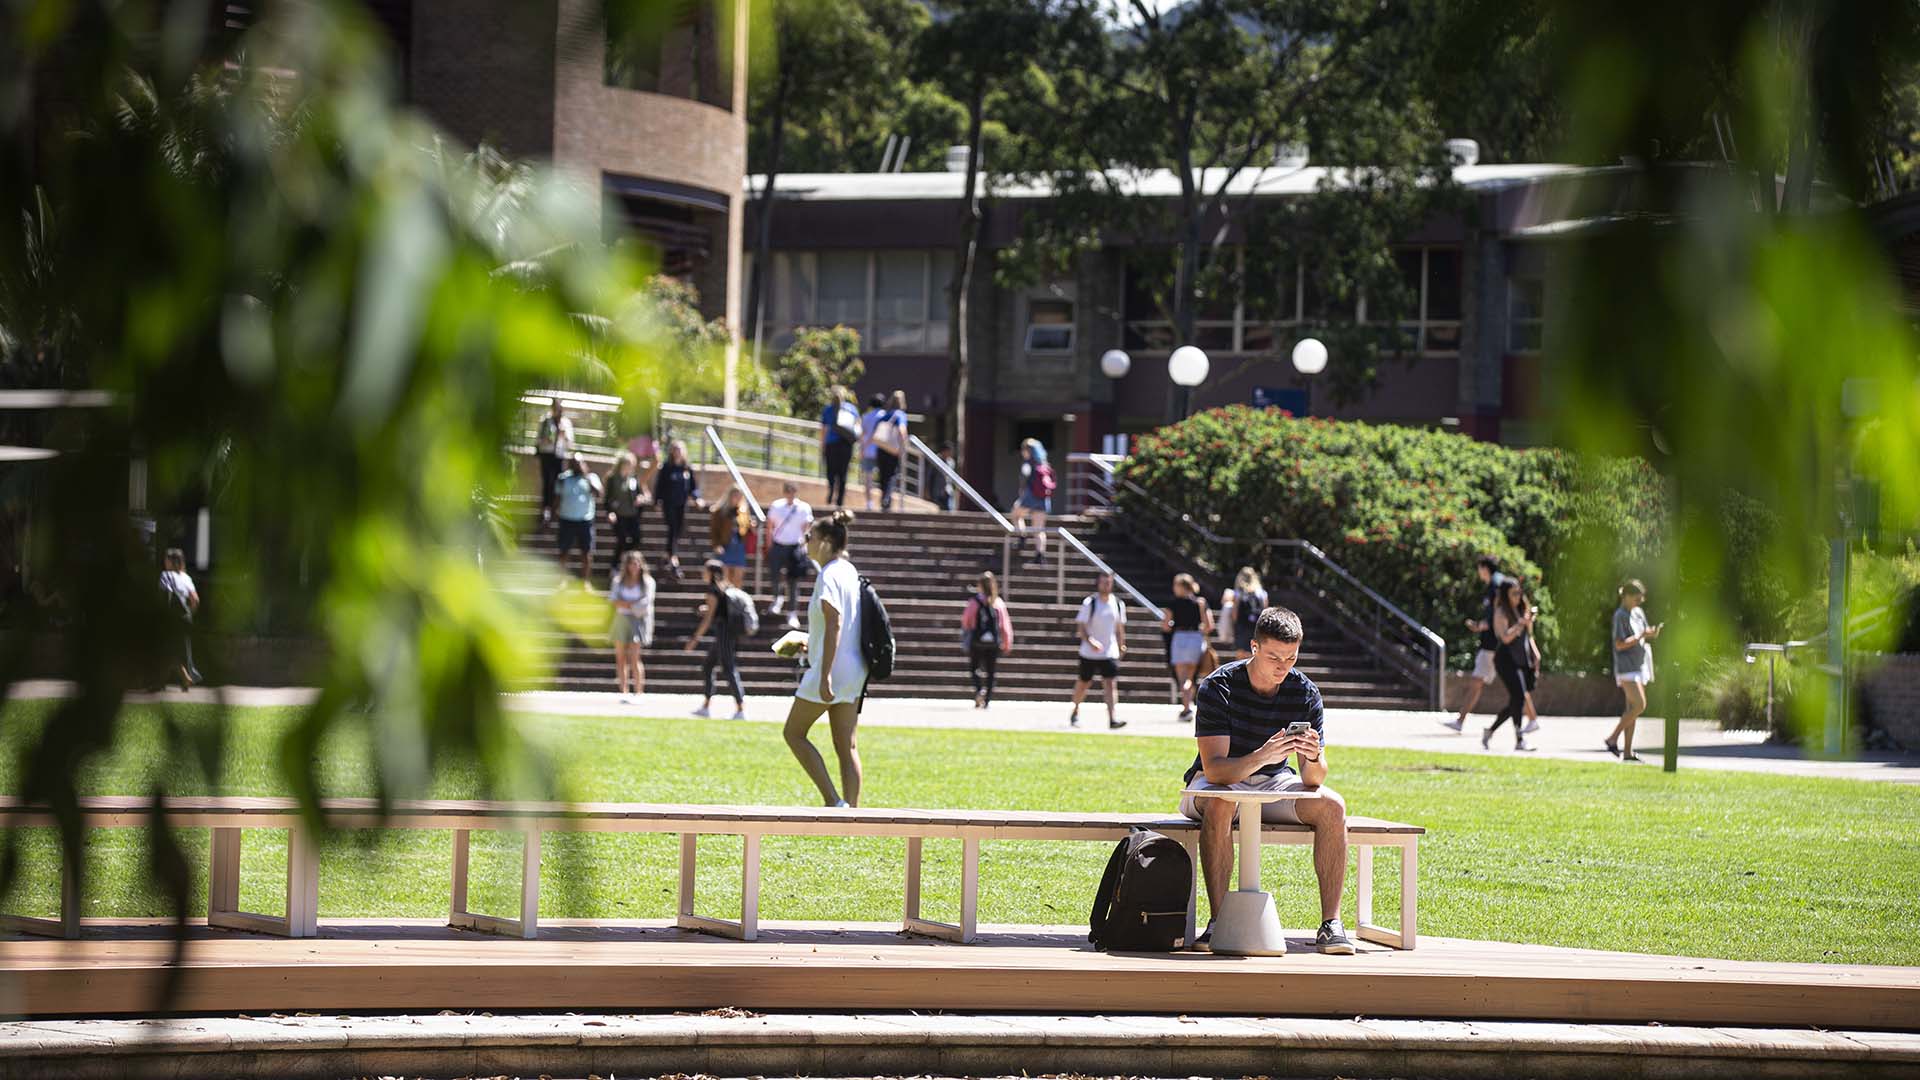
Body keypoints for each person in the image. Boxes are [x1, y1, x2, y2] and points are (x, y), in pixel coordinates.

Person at [1179, 607, 1355, 955]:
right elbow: (1215, 771)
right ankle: (1219, 922)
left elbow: (1312, 778)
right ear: (1254, 647)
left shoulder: (1303, 691)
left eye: (1291, 657)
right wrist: (1263, 754)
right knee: (1221, 801)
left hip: (1274, 782)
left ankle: (1331, 924)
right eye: (1274, 656)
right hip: (1216, 783)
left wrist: (1315, 755)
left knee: (1333, 805)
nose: (1283, 666)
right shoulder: (1219, 686)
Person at [782, 510, 868, 807]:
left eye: (810, 537)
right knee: (847, 745)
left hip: (831, 669)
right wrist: (811, 643)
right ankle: (852, 814)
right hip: (855, 668)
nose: (806, 543)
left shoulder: (829, 573)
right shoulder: (849, 571)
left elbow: (834, 621)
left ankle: (834, 802)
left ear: (826, 542)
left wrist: (825, 673)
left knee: (793, 733)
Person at [1442, 555, 1506, 732]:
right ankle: (1460, 721)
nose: (1478, 573)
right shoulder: (1499, 582)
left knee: (1478, 682)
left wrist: (1479, 626)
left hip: (1491, 644)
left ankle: (1460, 721)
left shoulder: (1495, 585)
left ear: (1484, 568)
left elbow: (1496, 615)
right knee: (1505, 683)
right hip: (1498, 642)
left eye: (1479, 568)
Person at [684, 558, 747, 720]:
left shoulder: (712, 591)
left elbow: (708, 619)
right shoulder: (725, 586)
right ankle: (706, 706)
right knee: (708, 666)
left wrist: (694, 639)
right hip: (727, 632)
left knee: (729, 668)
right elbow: (719, 609)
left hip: (724, 633)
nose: (702, 573)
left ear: (711, 573)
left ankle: (741, 708)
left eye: (705, 570)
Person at [1606, 579, 1661, 762]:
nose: (1638, 603)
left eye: (1640, 600)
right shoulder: (1620, 615)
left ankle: (1628, 753)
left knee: (1632, 710)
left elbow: (1643, 633)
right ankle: (1612, 738)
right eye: (1636, 599)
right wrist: (1640, 636)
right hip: (1626, 667)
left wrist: (1650, 634)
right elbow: (1619, 644)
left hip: (1639, 665)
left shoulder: (1638, 613)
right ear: (1626, 596)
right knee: (1640, 705)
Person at [1481, 579, 1537, 752]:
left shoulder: (1520, 609)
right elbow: (1504, 638)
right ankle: (1519, 740)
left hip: (1521, 658)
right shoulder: (1501, 612)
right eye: (1514, 593)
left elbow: (1529, 637)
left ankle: (1490, 731)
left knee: (1517, 700)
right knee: (1519, 697)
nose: (1518, 597)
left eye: (1519, 593)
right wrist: (1520, 623)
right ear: (1506, 595)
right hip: (1505, 659)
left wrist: (1536, 654)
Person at [1069, 571, 1128, 730]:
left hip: (1109, 651)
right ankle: (1075, 711)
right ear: (1098, 583)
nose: (1106, 585)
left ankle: (1112, 717)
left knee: (1110, 684)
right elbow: (1081, 626)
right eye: (1103, 582)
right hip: (1089, 652)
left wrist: (1122, 644)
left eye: (1108, 582)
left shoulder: (1117, 603)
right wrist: (1090, 641)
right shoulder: (1090, 603)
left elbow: (1119, 627)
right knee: (1083, 683)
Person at [1162, 573, 1215, 722]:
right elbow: (1209, 626)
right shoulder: (1200, 603)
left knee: (1182, 677)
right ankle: (1189, 706)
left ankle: (1186, 708)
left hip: (1179, 638)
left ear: (1181, 587)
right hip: (1195, 639)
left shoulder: (1173, 603)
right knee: (1191, 676)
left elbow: (1165, 626)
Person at [960, 571, 1013, 709]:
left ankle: (979, 690)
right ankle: (987, 698)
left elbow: (966, 621)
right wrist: (1007, 642)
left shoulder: (974, 602)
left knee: (975, 668)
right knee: (991, 671)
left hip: (977, 640)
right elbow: (1005, 625)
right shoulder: (998, 603)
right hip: (993, 642)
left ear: (980, 586)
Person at [765, 481, 814, 629]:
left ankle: (792, 611)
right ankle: (776, 599)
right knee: (774, 575)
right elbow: (769, 526)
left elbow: (806, 528)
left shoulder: (803, 507)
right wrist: (769, 544)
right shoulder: (776, 506)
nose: (790, 494)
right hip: (778, 544)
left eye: (793, 491)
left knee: (793, 581)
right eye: (788, 491)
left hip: (795, 546)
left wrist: (804, 546)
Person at [651, 440, 702, 580]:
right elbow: (659, 485)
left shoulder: (686, 468)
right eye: (675, 449)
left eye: (680, 449)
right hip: (669, 503)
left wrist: (696, 498)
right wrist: (656, 501)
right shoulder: (667, 467)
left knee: (678, 530)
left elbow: (693, 487)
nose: (678, 452)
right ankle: (674, 560)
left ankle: (666, 556)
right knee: (672, 528)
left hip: (682, 504)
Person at [608, 550, 655, 703]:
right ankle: (623, 690)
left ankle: (639, 691)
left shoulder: (647, 581)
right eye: (631, 563)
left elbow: (646, 603)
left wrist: (626, 605)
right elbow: (614, 600)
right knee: (620, 656)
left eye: (636, 563)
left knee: (634, 658)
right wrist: (632, 605)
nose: (634, 566)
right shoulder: (618, 580)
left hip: (638, 621)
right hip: (621, 619)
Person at [553, 453, 603, 586]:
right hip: (566, 519)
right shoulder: (563, 478)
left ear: (583, 463)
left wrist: (586, 477)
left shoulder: (591, 477)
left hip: (584, 520)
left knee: (586, 552)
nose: (576, 466)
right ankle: (561, 580)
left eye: (578, 463)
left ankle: (585, 582)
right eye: (573, 463)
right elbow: (557, 498)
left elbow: (599, 494)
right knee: (564, 551)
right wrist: (553, 514)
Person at [159, 548, 201, 689]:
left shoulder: (166, 575)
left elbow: (167, 596)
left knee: (168, 648)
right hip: (186, 617)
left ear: (170, 561)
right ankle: (160, 682)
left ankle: (185, 677)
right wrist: (190, 613)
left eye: (166, 559)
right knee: (179, 650)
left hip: (172, 617)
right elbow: (195, 599)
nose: (164, 561)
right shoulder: (186, 577)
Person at [603, 451, 648, 581]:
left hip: (632, 514)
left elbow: (640, 494)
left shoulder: (633, 478)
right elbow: (607, 498)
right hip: (618, 514)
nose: (629, 467)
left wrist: (641, 499)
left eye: (631, 465)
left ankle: (625, 561)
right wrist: (609, 512)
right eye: (627, 464)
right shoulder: (613, 478)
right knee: (622, 539)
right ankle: (615, 565)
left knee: (636, 538)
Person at [1009, 438, 1054, 560]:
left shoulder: (1028, 464)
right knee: (1039, 529)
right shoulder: (1044, 464)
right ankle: (1040, 555)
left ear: (1027, 450)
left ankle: (1022, 536)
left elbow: (1024, 479)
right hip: (1043, 500)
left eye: (1023, 450)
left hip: (1030, 498)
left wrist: (1021, 492)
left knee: (1015, 514)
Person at [818, 385, 859, 508]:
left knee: (831, 471)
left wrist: (822, 445)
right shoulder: (851, 409)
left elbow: (824, 430)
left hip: (831, 444)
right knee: (843, 473)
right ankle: (840, 499)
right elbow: (857, 427)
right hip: (846, 445)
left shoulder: (828, 409)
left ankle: (831, 490)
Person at [535, 399, 573, 529]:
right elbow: (538, 439)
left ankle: (556, 508)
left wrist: (563, 436)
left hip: (559, 455)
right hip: (547, 454)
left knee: (558, 482)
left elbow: (570, 443)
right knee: (547, 481)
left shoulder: (566, 423)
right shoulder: (545, 420)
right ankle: (546, 508)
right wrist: (546, 439)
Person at [871, 390, 909, 511]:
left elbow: (875, 432)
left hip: (881, 448)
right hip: (893, 450)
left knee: (883, 476)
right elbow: (902, 431)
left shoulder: (884, 415)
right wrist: (904, 447)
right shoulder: (900, 415)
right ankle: (887, 499)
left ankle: (883, 499)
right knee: (891, 475)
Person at [1220, 566, 1268, 661]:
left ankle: (1242, 674)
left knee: (1241, 655)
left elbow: (1234, 613)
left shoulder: (1238, 593)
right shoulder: (1262, 593)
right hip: (1256, 627)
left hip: (1242, 626)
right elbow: (1265, 612)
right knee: (1254, 653)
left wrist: (1235, 626)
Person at [709, 487, 753, 589]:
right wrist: (716, 545)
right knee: (725, 577)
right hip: (725, 545)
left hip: (739, 546)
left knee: (738, 577)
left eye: (739, 496)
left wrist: (750, 527)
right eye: (735, 496)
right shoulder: (719, 511)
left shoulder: (743, 511)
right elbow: (714, 531)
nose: (737, 498)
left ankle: (736, 601)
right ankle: (725, 602)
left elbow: (744, 529)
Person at [858, 393, 886, 510]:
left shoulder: (866, 416)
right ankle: (884, 501)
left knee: (868, 478)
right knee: (884, 477)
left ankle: (869, 502)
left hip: (868, 450)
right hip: (882, 450)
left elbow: (862, 434)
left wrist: (862, 449)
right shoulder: (884, 416)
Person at [928, 442, 956, 512]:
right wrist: (927, 490)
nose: (950, 453)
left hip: (948, 491)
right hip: (936, 491)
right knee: (936, 510)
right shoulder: (935, 460)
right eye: (949, 451)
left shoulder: (951, 462)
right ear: (944, 451)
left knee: (949, 510)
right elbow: (929, 476)